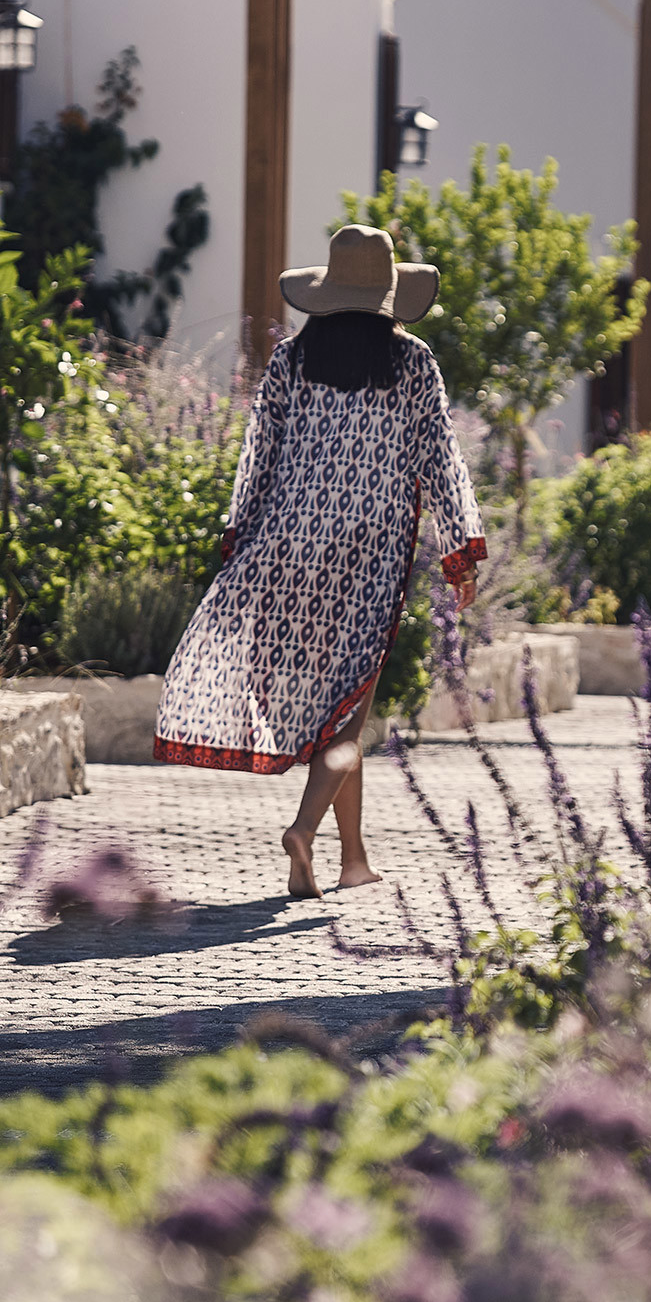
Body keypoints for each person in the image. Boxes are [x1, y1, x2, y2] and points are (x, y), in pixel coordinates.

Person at [153, 224, 486, 898]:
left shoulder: (292, 358)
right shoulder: (412, 361)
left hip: (286, 550)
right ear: (388, 294)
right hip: (367, 556)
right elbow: (440, 460)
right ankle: (304, 830)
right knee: (349, 713)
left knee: (335, 704)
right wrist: (461, 553)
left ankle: (353, 859)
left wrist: (241, 536)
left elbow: (259, 452)